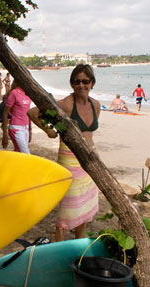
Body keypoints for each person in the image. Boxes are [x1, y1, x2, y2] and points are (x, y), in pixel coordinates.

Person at [28, 64, 100, 242]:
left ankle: (79, 240)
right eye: (77, 81)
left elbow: (89, 133)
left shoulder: (96, 105)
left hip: (91, 158)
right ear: (71, 84)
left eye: (85, 81)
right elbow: (33, 111)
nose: (81, 85)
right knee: (69, 207)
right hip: (70, 159)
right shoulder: (66, 104)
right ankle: (58, 246)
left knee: (86, 203)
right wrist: (50, 131)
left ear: (92, 83)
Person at [1, 81, 32, 153]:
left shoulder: (28, 93)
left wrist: (30, 130)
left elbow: (28, 113)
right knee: (26, 153)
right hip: (16, 128)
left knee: (19, 151)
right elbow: (5, 114)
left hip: (26, 127)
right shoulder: (14, 93)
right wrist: (4, 134)